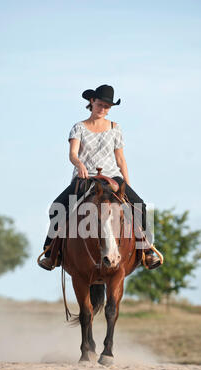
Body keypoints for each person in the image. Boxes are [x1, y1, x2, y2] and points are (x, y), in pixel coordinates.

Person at [38, 84, 161, 271]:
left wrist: (126, 185)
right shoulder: (78, 127)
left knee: (141, 207)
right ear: (92, 101)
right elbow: (73, 154)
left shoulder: (115, 128)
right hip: (85, 177)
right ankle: (50, 253)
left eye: (107, 107)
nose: (103, 109)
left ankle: (147, 250)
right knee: (57, 208)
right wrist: (79, 165)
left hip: (112, 176)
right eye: (100, 105)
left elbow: (120, 158)